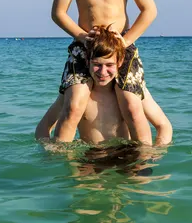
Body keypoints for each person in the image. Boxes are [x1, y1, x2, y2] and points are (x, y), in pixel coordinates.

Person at [51, 0, 159, 146]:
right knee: (74, 105)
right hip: (84, 46)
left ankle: (142, 159)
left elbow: (149, 10)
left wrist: (126, 41)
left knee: (131, 104)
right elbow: (58, 13)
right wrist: (81, 36)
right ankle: (61, 161)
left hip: (120, 46)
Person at [36, 26, 172, 147]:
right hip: (89, 157)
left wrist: (157, 151)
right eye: (97, 65)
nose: (102, 72)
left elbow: (164, 126)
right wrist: (49, 152)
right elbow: (43, 127)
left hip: (124, 155)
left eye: (109, 65)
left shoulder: (130, 93)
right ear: (88, 62)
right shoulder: (77, 95)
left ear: (119, 63)